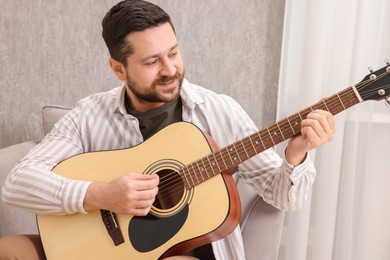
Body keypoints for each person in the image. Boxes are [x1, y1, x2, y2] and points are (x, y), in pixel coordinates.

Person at [0, 0, 335, 259]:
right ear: (119, 68)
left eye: (173, 53)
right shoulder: (89, 115)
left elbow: (282, 198)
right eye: (151, 62)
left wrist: (296, 154)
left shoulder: (219, 111)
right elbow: (17, 183)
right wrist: (101, 195)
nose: (170, 69)